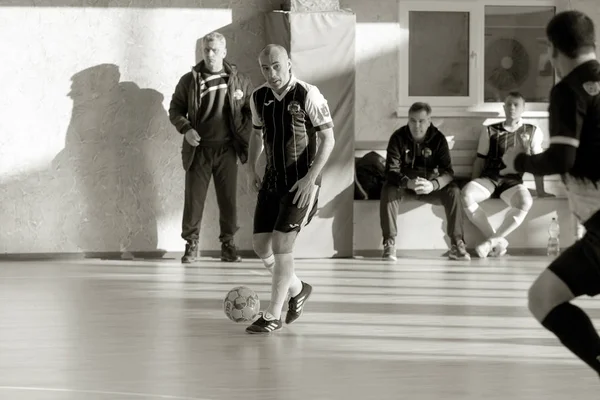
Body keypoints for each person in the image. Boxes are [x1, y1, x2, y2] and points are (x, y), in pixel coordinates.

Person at [502, 10, 600, 377]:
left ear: (552, 50)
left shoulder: (568, 89)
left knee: (543, 297)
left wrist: (520, 160)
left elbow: (563, 156)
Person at [245, 44, 335, 334]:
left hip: (300, 184)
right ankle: (298, 289)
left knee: (283, 246)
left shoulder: (308, 94)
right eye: (265, 68)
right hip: (271, 181)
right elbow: (257, 135)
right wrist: (250, 169)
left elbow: (328, 139)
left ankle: (273, 314)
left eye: (276, 66)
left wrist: (311, 179)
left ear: (289, 64)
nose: (271, 73)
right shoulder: (258, 97)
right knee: (261, 247)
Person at [168, 32, 253, 264]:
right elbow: (175, 110)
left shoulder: (239, 81)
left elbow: (250, 111)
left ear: (224, 52)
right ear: (202, 52)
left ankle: (228, 245)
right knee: (193, 200)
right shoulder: (190, 80)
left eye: (215, 50)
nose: (210, 54)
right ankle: (191, 244)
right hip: (199, 150)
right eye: (206, 50)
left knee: (228, 201)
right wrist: (186, 130)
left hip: (227, 150)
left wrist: (240, 135)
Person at [461, 92, 553, 258]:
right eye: (509, 104)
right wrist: (474, 182)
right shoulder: (490, 130)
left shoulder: (532, 131)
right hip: (489, 179)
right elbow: (480, 161)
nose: (512, 108)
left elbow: (538, 164)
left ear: (523, 108)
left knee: (526, 201)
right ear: (503, 107)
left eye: (516, 104)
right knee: (466, 195)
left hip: (512, 182)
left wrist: (540, 191)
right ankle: (497, 240)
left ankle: (490, 243)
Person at [380, 102, 470, 261]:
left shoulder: (438, 139)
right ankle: (389, 243)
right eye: (412, 120)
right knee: (388, 190)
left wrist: (433, 185)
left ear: (429, 121)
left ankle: (457, 244)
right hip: (405, 186)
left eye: (421, 121)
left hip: (431, 187)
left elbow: (448, 172)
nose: (417, 125)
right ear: (408, 120)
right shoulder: (398, 137)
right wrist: (407, 183)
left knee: (454, 191)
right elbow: (390, 171)